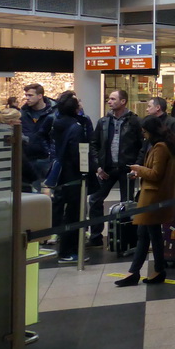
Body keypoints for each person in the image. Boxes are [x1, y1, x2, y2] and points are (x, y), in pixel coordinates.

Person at [116, 116, 175, 287]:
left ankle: (136, 272)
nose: (143, 134)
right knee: (149, 234)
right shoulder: (169, 145)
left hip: (152, 196)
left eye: (145, 131)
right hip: (160, 195)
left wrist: (139, 170)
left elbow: (155, 174)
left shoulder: (160, 148)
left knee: (145, 234)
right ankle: (155, 270)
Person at [87, 89, 143, 247]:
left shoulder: (134, 122)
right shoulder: (103, 121)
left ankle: (126, 237)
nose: (109, 101)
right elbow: (94, 144)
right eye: (109, 99)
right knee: (95, 199)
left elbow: (142, 146)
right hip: (107, 169)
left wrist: (136, 166)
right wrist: (97, 166)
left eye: (112, 99)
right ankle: (96, 236)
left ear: (123, 101)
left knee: (126, 203)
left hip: (127, 169)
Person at [51, 92, 88, 264]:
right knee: (74, 213)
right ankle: (68, 250)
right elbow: (78, 153)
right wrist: (86, 171)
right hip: (73, 175)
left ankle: (65, 247)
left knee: (65, 210)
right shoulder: (76, 127)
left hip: (62, 174)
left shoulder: (57, 122)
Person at [21, 83, 55, 189]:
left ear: (40, 96)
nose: (27, 98)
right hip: (28, 158)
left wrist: (51, 155)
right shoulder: (22, 113)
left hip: (46, 159)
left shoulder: (53, 113)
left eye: (30, 95)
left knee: (48, 192)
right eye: (26, 95)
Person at [0, 107, 37, 190]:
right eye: (18, 119)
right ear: (11, 122)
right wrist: (34, 176)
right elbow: (21, 159)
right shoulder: (12, 137)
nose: (20, 121)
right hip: (14, 178)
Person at [141, 97, 175, 161]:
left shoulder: (174, 123)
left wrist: (173, 160)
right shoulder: (149, 123)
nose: (147, 109)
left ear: (158, 107)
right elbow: (145, 147)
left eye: (149, 106)